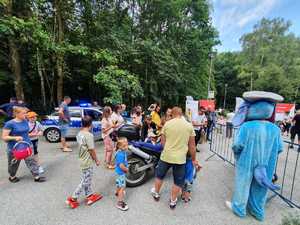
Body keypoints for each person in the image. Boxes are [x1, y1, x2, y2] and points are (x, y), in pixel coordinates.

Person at [226, 92, 283, 221]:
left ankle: (239, 208)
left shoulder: (247, 126)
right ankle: (257, 211)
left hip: (247, 160)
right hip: (267, 163)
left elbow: (237, 145)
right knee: (261, 186)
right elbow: (280, 148)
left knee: (243, 183)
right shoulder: (275, 129)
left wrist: (237, 155)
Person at [151, 107, 199, 209]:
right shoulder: (189, 126)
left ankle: (156, 193)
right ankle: (173, 201)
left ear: (172, 114)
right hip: (180, 158)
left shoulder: (167, 124)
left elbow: (163, 142)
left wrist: (168, 149)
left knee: (160, 176)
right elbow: (192, 146)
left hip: (166, 156)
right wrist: (194, 159)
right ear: (181, 114)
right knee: (177, 181)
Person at [66, 116, 102, 209]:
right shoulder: (89, 135)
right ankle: (73, 198)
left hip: (81, 159)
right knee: (85, 180)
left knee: (87, 178)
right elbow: (91, 150)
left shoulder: (79, 133)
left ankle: (89, 195)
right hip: (87, 161)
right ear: (91, 124)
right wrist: (97, 160)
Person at [2, 107, 46, 183]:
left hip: (27, 145)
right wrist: (15, 138)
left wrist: (36, 133)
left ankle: (36, 176)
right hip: (15, 148)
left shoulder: (25, 121)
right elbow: (4, 137)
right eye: (24, 113)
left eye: (26, 113)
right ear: (16, 114)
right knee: (14, 163)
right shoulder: (10, 124)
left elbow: (26, 133)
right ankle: (12, 177)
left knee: (32, 161)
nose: (26, 115)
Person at [115, 137, 129, 211]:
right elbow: (121, 165)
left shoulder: (121, 151)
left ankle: (117, 192)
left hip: (118, 172)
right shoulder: (120, 154)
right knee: (122, 187)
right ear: (119, 146)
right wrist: (126, 169)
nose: (126, 147)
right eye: (124, 146)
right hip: (121, 173)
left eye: (126, 145)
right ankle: (120, 203)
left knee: (118, 184)